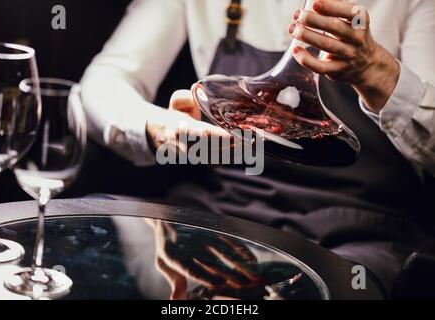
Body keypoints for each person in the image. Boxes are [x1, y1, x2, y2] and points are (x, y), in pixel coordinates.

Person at [80, 0, 435, 298]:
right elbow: (104, 82)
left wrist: (379, 72)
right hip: (221, 216)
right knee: (86, 248)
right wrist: (157, 128)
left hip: (361, 231)